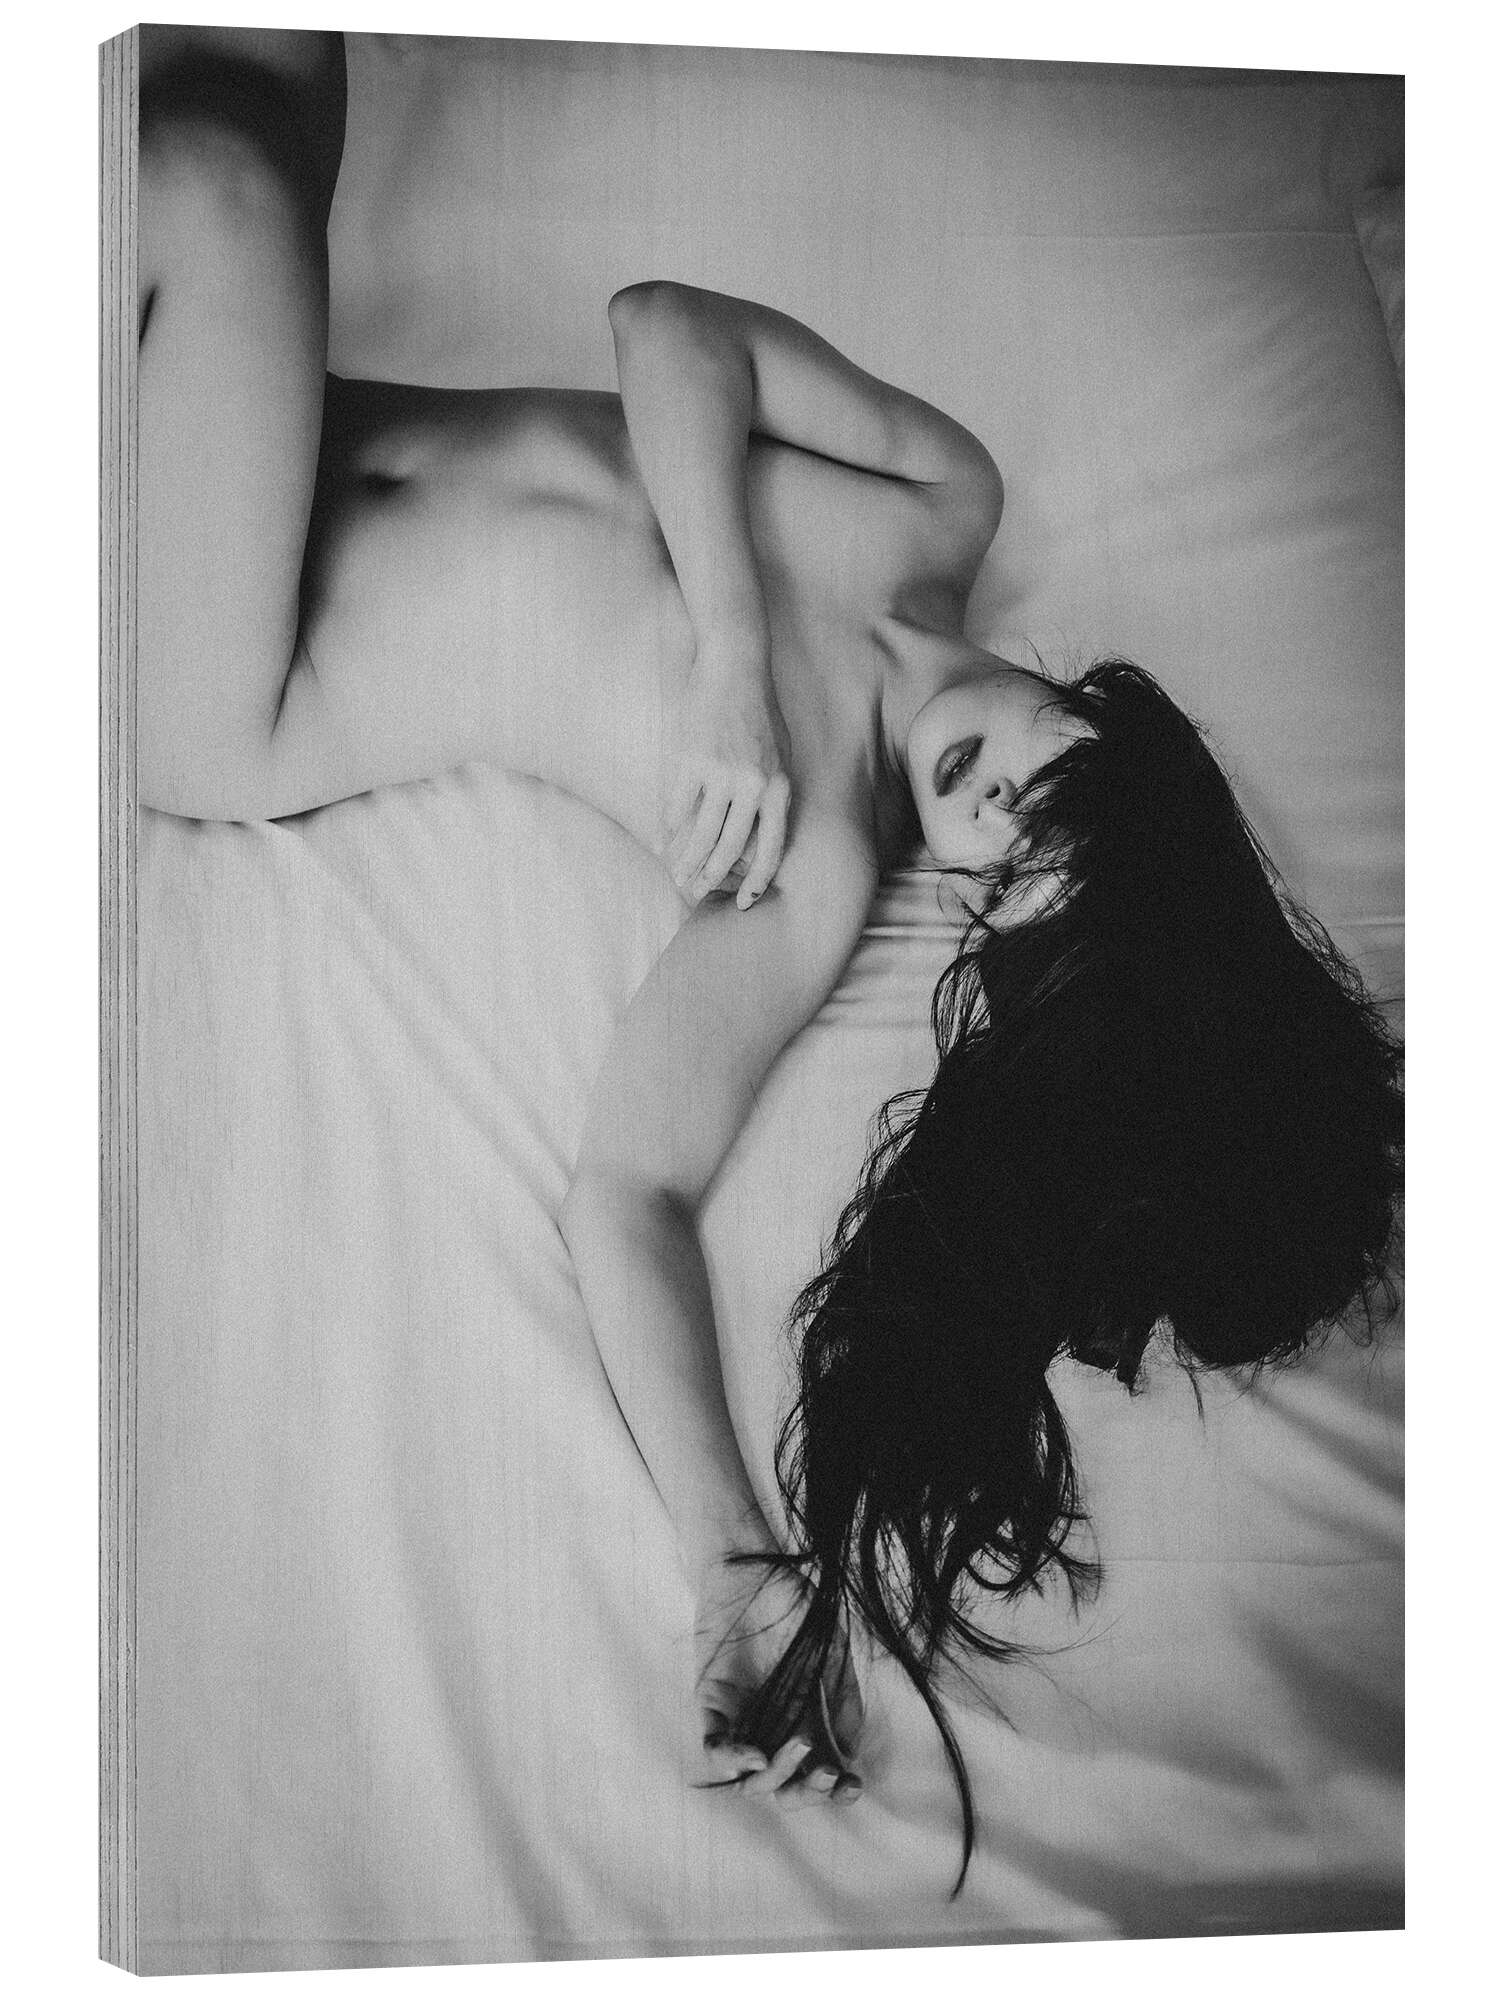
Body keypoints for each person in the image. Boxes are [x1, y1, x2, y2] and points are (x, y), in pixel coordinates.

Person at [135, 32, 1404, 1883]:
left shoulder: (811, 865)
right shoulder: (942, 502)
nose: (991, 823)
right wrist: (730, 651)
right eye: (1059, 808)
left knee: (222, 174)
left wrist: (735, 1561)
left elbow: (631, 1189)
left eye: (1006, 887)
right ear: (1125, 739)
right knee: (264, 53)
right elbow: (665, 329)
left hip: (221, 675)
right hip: (273, 431)